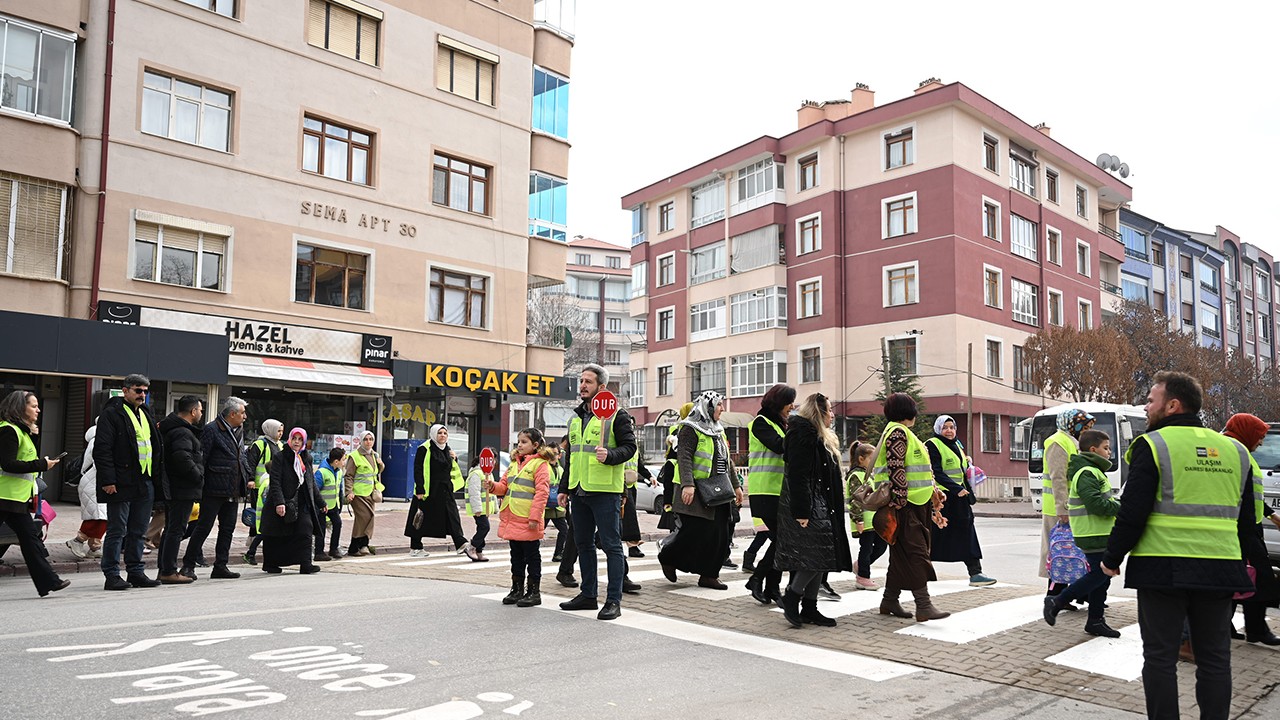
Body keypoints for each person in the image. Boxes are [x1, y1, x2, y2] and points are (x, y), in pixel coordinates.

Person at [1100, 371, 1255, 720]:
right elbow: (1247, 520)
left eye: (1151, 400)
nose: (1146, 406)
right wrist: (1246, 563)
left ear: (1172, 405)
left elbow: (1133, 511)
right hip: (1220, 567)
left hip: (1162, 567)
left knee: (1159, 657)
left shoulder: (1153, 445)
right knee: (1215, 658)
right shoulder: (1236, 451)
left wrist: (1112, 558)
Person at [557, 364, 637, 621]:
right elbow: (571, 457)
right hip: (579, 492)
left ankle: (613, 600)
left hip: (605, 492)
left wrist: (611, 455)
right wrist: (564, 489)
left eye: (588, 382)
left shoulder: (618, 415)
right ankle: (588, 595)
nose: (582, 385)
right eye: (581, 381)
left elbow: (630, 447)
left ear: (601, 387)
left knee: (612, 546)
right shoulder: (575, 418)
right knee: (583, 544)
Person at [774, 393, 851, 628]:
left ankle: (809, 606)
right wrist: (802, 511)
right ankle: (792, 597)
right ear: (819, 412)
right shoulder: (802, 434)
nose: (832, 414)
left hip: (821, 502)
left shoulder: (819, 435)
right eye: (829, 410)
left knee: (823, 555)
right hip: (808, 504)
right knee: (816, 556)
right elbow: (798, 476)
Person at [874, 392, 950, 622]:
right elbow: (896, 469)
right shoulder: (897, 432)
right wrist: (899, 503)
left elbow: (913, 469)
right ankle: (923, 605)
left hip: (913, 503)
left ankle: (889, 600)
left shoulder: (902, 432)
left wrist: (934, 491)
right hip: (905, 505)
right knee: (917, 553)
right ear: (909, 411)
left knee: (900, 555)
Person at [658, 391, 743, 590]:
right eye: (719, 405)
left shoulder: (718, 429)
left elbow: (726, 459)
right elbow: (684, 457)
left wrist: (736, 486)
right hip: (695, 492)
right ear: (709, 406)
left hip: (718, 490)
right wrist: (688, 484)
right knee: (693, 532)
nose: (722, 409)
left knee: (720, 535)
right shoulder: (689, 428)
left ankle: (709, 575)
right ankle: (668, 557)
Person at [1042, 428, 1121, 637]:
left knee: (1103, 578)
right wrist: (1121, 507)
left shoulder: (1092, 470)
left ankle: (1095, 620)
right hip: (1092, 533)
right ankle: (1057, 601)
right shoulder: (1087, 472)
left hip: (1099, 532)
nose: (1109, 452)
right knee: (1099, 574)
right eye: (1106, 448)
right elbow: (1095, 504)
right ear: (1093, 449)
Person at [95, 374, 163, 591]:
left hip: (144, 480)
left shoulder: (145, 412)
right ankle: (112, 575)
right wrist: (108, 480)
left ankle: (135, 572)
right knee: (117, 530)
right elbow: (103, 449)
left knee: (139, 530)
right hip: (122, 481)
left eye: (145, 391)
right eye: (137, 390)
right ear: (125, 391)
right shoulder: (112, 414)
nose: (142, 395)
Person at [0, 390, 71, 597]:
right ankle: (49, 581)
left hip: (15, 498)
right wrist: (42, 464)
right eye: (33, 406)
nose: (38, 410)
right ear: (20, 408)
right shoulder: (8, 431)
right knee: (31, 540)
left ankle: (49, 581)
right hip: (4, 497)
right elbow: (8, 463)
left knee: (31, 540)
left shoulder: (22, 432)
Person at [1220, 413, 1280, 645]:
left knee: (1240, 576)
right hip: (1239, 528)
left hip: (1250, 526)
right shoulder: (1233, 451)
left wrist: (1270, 515)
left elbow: (1250, 493)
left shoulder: (1240, 451)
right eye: (1260, 436)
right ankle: (1255, 629)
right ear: (1247, 432)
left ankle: (1229, 626)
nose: (1262, 442)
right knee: (1260, 578)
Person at [182, 396, 248, 581]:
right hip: (213, 488)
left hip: (233, 488)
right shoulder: (212, 429)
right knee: (203, 527)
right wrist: (200, 484)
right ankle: (188, 564)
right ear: (232, 413)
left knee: (227, 529)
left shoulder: (240, 430)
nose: (245, 417)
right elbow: (202, 457)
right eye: (242, 413)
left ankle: (221, 565)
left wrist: (246, 475)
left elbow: (240, 456)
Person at [926, 415, 996, 587]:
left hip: (960, 498)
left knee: (967, 533)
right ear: (938, 429)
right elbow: (936, 471)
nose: (949, 431)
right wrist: (956, 489)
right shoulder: (932, 445)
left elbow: (959, 467)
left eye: (952, 427)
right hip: (942, 498)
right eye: (945, 427)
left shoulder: (957, 444)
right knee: (933, 535)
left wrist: (969, 466)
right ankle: (922, 568)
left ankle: (975, 572)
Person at [490, 428, 554, 607]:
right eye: (518, 441)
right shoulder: (513, 464)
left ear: (535, 445)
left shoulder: (540, 464)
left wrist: (535, 518)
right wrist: (492, 486)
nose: (519, 445)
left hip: (528, 519)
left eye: (524, 442)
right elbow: (504, 486)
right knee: (515, 554)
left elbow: (542, 493)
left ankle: (534, 591)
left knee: (531, 555)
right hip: (512, 517)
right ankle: (516, 589)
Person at [744, 384, 795, 605]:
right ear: (778, 402)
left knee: (782, 541)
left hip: (779, 491)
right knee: (783, 540)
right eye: (789, 402)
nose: (792, 406)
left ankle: (769, 586)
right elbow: (779, 446)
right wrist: (798, 431)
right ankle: (760, 581)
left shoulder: (780, 424)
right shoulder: (760, 423)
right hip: (764, 491)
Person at [1040, 407, 1094, 598]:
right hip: (1058, 509)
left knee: (1072, 552)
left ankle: (1070, 595)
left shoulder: (1072, 442)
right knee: (1059, 551)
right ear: (1073, 425)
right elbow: (1058, 478)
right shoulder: (1058, 443)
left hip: (1072, 506)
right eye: (1084, 427)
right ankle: (1054, 595)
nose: (1086, 432)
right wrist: (1062, 508)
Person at [409, 424, 479, 559]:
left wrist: (455, 458)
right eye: (440, 433)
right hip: (429, 490)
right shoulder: (424, 448)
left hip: (445, 489)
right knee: (420, 517)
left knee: (452, 515)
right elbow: (418, 469)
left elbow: (449, 467)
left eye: (445, 433)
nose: (442, 435)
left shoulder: (447, 449)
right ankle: (415, 547)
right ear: (434, 434)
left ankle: (460, 543)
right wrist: (420, 489)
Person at [261, 428, 324, 575]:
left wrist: (321, 503)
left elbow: (311, 483)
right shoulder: (280, 457)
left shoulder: (306, 458)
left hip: (301, 502)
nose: (297, 442)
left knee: (306, 529)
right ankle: (270, 564)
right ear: (290, 440)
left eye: (300, 439)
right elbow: (275, 481)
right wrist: (279, 502)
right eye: (294, 438)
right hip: (284, 501)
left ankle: (306, 564)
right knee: (276, 535)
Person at [157, 396, 204, 585]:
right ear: (193, 412)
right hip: (182, 488)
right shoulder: (182, 432)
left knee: (171, 529)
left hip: (176, 487)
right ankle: (168, 571)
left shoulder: (174, 429)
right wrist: (198, 475)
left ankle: (165, 569)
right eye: (200, 410)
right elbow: (182, 458)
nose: (201, 413)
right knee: (176, 529)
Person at [846, 440, 885, 591]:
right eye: (871, 458)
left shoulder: (868, 475)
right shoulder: (856, 475)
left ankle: (860, 565)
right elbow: (856, 499)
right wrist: (859, 520)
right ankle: (863, 577)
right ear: (861, 459)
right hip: (864, 521)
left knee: (881, 547)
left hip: (873, 520)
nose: (873, 462)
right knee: (866, 548)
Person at [243, 419, 283, 565]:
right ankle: (253, 541)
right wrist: (251, 479)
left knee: (265, 518)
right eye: (278, 431)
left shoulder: (280, 445)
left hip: (273, 485)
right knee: (259, 515)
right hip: (260, 486)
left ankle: (255, 543)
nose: (280, 434)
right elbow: (250, 462)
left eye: (281, 431)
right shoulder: (259, 444)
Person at [66, 420, 107, 559]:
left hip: (95, 481)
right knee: (100, 516)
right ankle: (78, 540)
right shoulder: (100, 439)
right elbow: (102, 463)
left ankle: (95, 546)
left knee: (100, 515)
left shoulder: (100, 437)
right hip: (94, 482)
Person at [345, 431, 384, 556]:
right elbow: (349, 476)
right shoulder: (354, 456)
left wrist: (381, 465)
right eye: (366, 439)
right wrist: (348, 491)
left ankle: (356, 546)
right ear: (361, 441)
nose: (368, 442)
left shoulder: (374, 455)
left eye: (371, 439)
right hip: (358, 493)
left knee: (361, 519)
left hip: (371, 493)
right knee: (367, 516)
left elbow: (375, 472)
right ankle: (362, 544)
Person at [313, 447, 346, 561]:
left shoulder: (339, 472)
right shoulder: (321, 472)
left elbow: (340, 489)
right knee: (321, 528)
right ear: (336, 461)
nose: (344, 462)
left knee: (337, 524)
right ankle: (319, 552)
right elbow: (315, 490)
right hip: (322, 506)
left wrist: (340, 504)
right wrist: (320, 504)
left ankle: (333, 548)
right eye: (343, 460)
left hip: (333, 505)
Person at [465, 449, 497, 562]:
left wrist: (495, 507)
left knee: (482, 527)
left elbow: (491, 492)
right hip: (479, 508)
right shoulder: (476, 473)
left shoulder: (488, 473)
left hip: (485, 508)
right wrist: (477, 509)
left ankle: (479, 551)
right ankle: (472, 547)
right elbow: (474, 493)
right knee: (485, 527)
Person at [622, 451, 652, 558]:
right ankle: (633, 545)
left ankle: (632, 546)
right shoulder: (622, 441)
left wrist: (650, 477)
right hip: (620, 483)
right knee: (628, 516)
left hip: (632, 485)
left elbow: (639, 465)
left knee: (627, 516)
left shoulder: (634, 446)